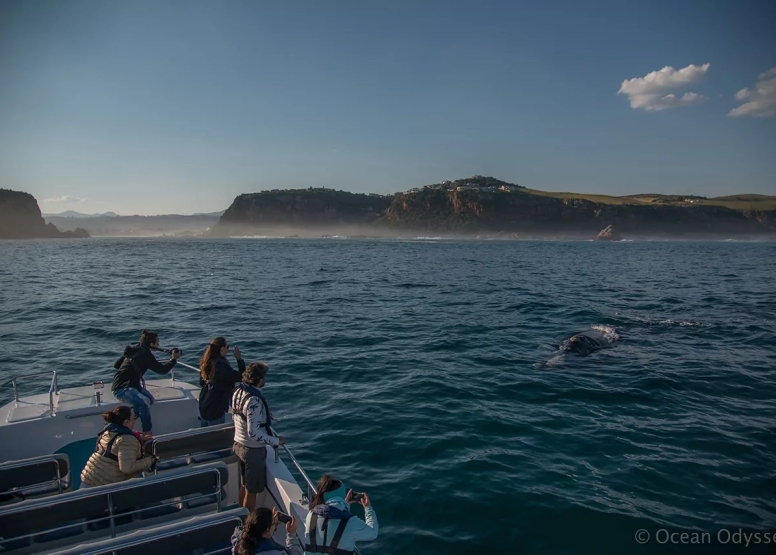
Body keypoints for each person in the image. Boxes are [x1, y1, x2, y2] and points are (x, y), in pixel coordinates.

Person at [231, 362, 285, 512]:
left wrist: (261, 416)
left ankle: (240, 515)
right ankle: (248, 522)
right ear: (259, 379)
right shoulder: (254, 400)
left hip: (238, 444)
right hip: (252, 451)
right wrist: (276, 441)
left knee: (244, 485)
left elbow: (240, 414)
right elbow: (253, 432)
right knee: (252, 490)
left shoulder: (238, 391)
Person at [112, 330, 180, 439]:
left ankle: (130, 418)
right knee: (144, 402)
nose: (159, 344)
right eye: (157, 342)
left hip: (133, 385)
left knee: (150, 400)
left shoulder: (136, 348)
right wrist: (174, 360)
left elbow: (117, 365)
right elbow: (162, 370)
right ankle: (147, 432)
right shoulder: (144, 353)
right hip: (121, 388)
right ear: (151, 344)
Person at [80, 405, 158, 488]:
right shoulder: (127, 440)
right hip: (103, 485)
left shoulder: (108, 431)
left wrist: (138, 437)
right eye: (134, 418)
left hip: (90, 476)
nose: (135, 420)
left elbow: (116, 443)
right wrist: (152, 460)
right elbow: (127, 468)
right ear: (126, 422)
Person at [303, 475, 378, 555]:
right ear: (342, 495)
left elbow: (331, 513)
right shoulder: (350, 522)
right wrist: (368, 507)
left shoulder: (311, 515)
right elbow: (373, 533)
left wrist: (344, 505)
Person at [199, 336, 245, 427]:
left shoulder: (206, 363)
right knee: (214, 438)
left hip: (204, 406)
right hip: (215, 410)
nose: (228, 349)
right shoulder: (222, 367)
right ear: (222, 349)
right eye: (227, 347)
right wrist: (239, 359)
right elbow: (243, 377)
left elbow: (201, 382)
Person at [231, 507, 303, 555]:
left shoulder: (240, 541)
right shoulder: (276, 553)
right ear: (266, 531)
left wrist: (272, 526)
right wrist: (291, 534)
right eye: (273, 523)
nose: (275, 523)